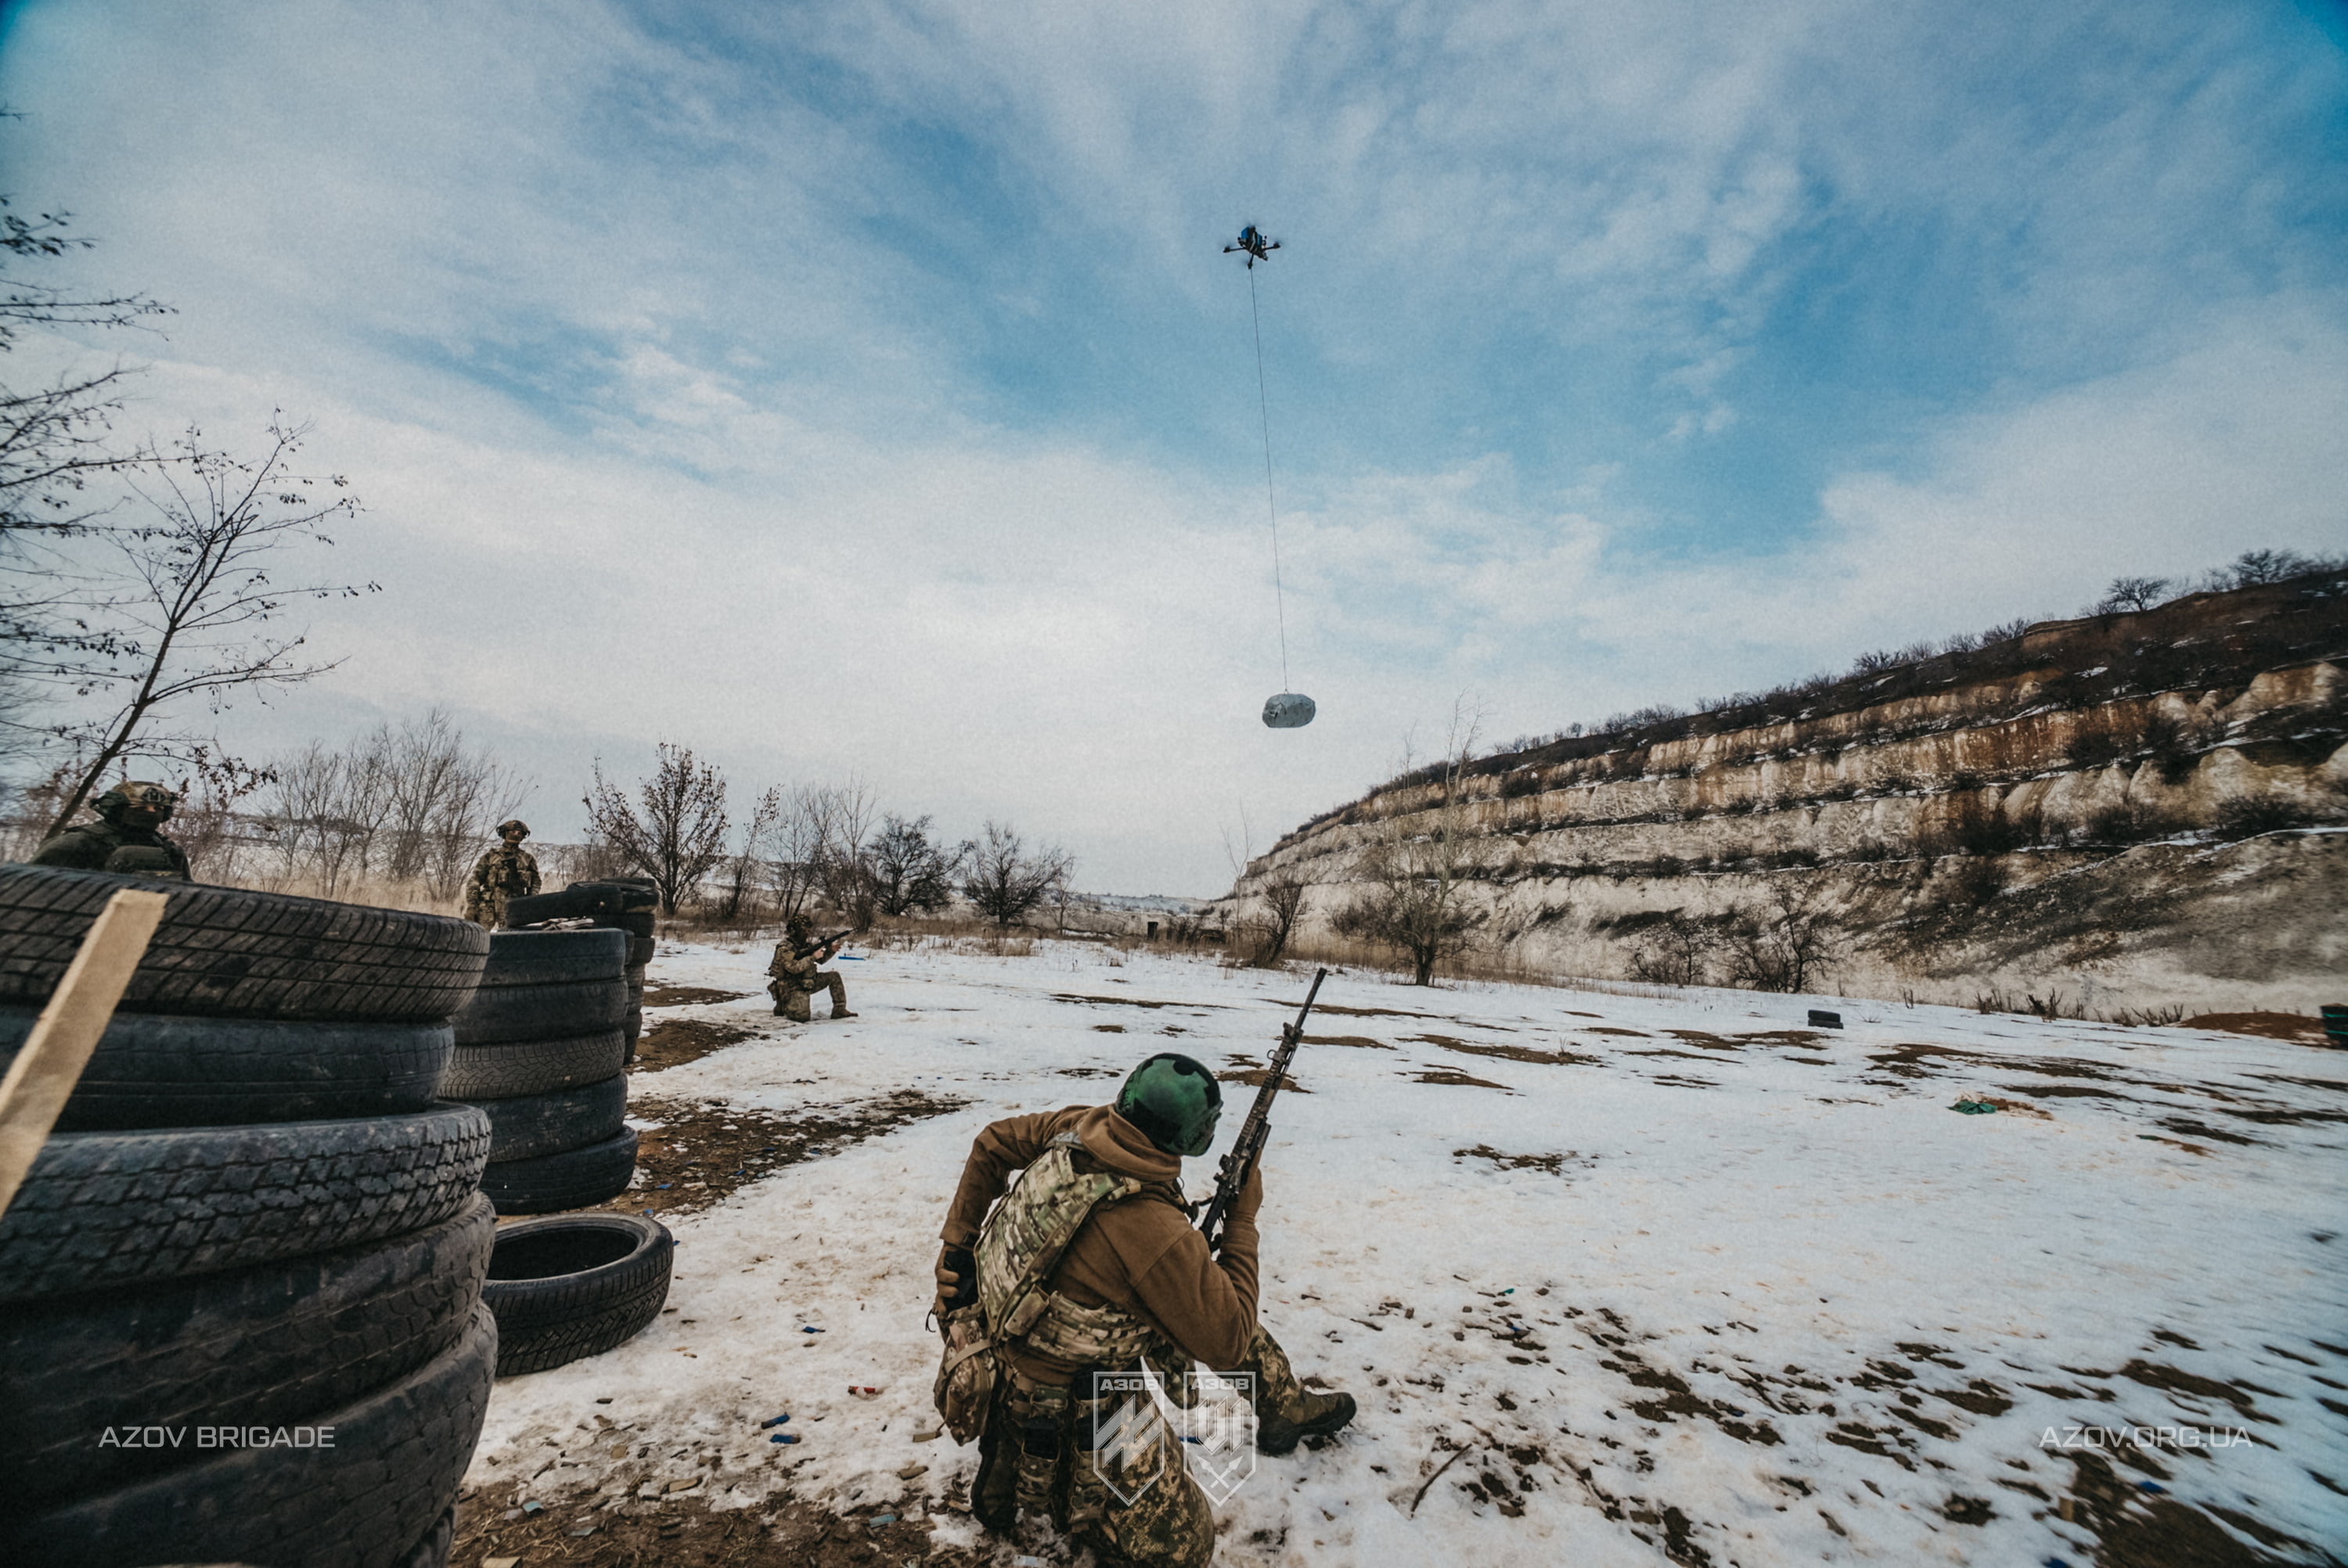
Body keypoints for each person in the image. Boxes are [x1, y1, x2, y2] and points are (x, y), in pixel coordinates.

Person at [934, 1052, 1355, 1567]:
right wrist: (1243, 1222)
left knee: (1208, 1297)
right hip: (1071, 1406)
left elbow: (992, 1143)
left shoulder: (1080, 1130)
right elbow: (1228, 1339)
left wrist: (957, 1246)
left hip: (1005, 1355)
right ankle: (1095, 1515)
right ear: (1196, 1138)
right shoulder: (1149, 1228)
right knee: (1184, 1546)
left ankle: (1282, 1406)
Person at [29, 781, 193, 880]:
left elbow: (186, 896)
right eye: (140, 807)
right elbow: (30, 887)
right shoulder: (77, 843)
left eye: (158, 808)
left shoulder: (170, 851)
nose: (150, 813)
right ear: (116, 809)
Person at [766, 912, 854, 1020]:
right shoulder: (784, 948)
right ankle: (782, 1006)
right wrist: (812, 957)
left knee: (834, 976)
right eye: (804, 931)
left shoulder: (806, 945)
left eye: (808, 930)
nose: (807, 933)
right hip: (790, 986)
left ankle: (839, 1010)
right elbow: (794, 968)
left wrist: (830, 950)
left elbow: (821, 960)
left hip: (806, 982)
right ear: (795, 931)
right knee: (802, 1017)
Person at [462, 818, 541, 929]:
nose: (516, 835)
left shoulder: (527, 859)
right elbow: (475, 880)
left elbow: (535, 882)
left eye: (519, 833)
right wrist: (472, 906)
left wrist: (529, 902)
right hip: (488, 905)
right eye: (512, 832)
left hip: (513, 905)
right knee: (479, 936)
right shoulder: (490, 856)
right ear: (505, 833)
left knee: (511, 939)